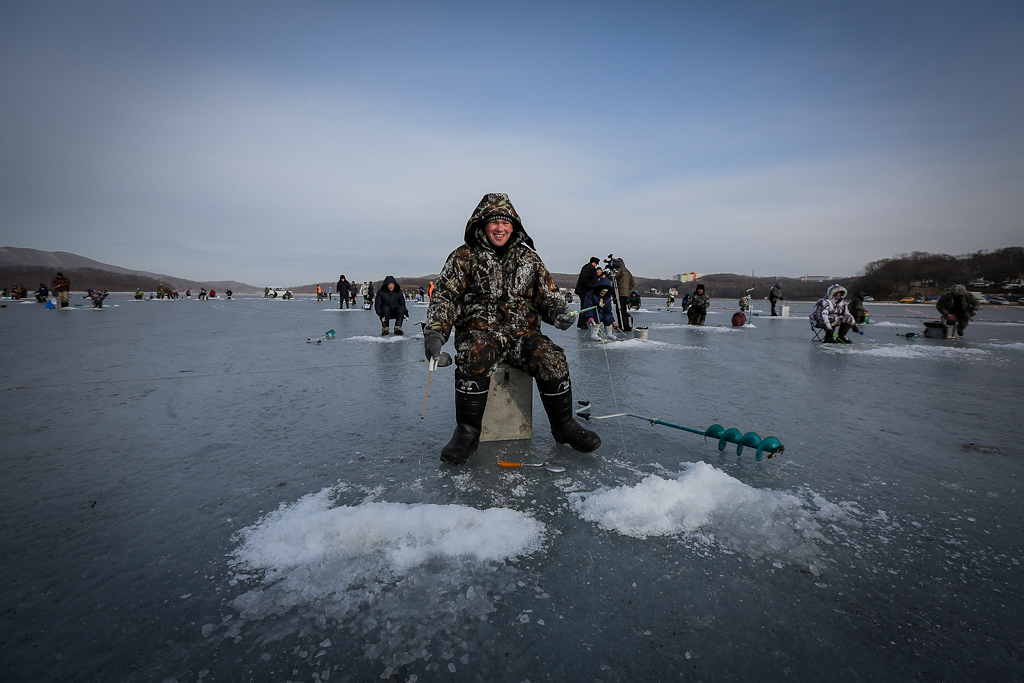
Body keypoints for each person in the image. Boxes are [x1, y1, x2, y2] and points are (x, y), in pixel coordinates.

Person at [424, 193, 600, 465]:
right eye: (494, 222)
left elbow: (548, 295)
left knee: (551, 356)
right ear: (482, 224)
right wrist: (435, 335)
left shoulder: (529, 259)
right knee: (474, 353)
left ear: (514, 226)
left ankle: (564, 426)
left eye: (506, 223)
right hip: (479, 332)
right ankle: (467, 432)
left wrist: (559, 312)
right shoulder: (463, 257)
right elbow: (445, 298)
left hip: (522, 334)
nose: (500, 228)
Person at [574, 257, 600, 328]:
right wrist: (593, 287)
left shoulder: (588, 267)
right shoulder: (589, 268)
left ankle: (583, 323)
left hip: (584, 290)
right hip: (584, 291)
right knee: (584, 307)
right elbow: (585, 280)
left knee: (584, 306)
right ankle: (582, 323)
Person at [612, 258, 635, 331]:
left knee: (619, 310)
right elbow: (633, 283)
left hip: (619, 293)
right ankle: (625, 325)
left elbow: (613, 276)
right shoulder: (627, 271)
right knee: (624, 310)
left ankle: (622, 325)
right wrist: (627, 289)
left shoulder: (620, 270)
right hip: (626, 294)